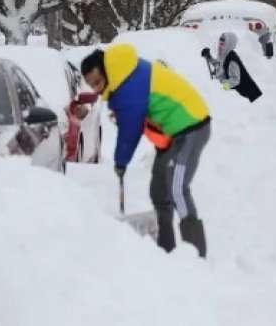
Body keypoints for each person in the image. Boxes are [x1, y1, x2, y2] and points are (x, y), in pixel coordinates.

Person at [81, 44, 211, 256]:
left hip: (191, 126)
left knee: (177, 188)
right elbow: (142, 117)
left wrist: (121, 162)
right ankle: (165, 248)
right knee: (159, 189)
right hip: (172, 134)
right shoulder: (124, 77)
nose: (96, 89)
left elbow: (130, 132)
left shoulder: (126, 84)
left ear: (106, 70)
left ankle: (196, 255)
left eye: (97, 81)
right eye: (91, 85)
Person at [202, 32, 262, 103]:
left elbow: (235, 81)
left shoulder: (232, 61)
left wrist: (222, 87)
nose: (220, 46)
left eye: (222, 44)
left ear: (229, 44)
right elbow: (219, 65)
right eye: (219, 43)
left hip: (245, 97)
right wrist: (209, 57)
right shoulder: (224, 55)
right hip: (235, 95)